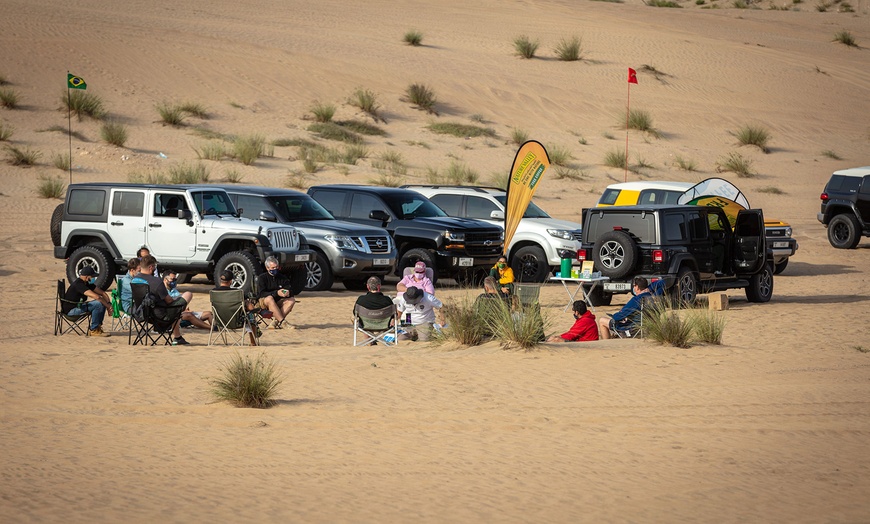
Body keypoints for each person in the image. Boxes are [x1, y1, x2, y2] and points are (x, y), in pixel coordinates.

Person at [138, 255, 189, 345]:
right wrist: (176, 299)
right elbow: (169, 301)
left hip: (143, 314)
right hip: (161, 315)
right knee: (188, 294)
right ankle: (176, 336)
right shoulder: (156, 281)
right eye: (154, 267)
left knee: (176, 312)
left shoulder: (135, 280)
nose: (155, 269)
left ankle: (178, 337)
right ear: (150, 267)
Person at [598, 276, 666, 340]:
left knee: (602, 321)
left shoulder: (636, 299)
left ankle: (606, 343)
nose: (633, 288)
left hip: (632, 329)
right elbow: (662, 282)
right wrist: (649, 289)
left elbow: (619, 316)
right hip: (647, 327)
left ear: (637, 287)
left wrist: (614, 316)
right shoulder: (651, 297)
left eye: (634, 286)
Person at [63, 266, 112, 337]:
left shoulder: (87, 283)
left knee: (101, 303)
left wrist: (108, 304)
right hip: (71, 311)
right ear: (87, 277)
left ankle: (97, 328)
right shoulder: (79, 284)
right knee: (98, 304)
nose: (93, 278)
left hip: (78, 306)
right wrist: (108, 306)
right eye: (92, 277)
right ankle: (94, 330)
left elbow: (102, 293)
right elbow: (96, 297)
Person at [256, 256, 296, 330]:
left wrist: (287, 292)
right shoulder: (262, 278)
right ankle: (283, 322)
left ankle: (275, 322)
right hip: (264, 301)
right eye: (273, 268)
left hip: (278, 300)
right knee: (269, 298)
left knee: (292, 300)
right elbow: (261, 293)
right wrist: (276, 293)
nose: (275, 269)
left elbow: (290, 291)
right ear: (267, 268)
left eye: (276, 267)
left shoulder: (282, 278)